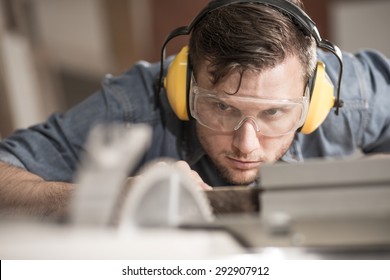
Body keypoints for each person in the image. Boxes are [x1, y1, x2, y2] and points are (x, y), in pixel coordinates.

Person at [0, 0, 389, 216]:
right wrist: (109, 197)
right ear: (182, 87)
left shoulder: (348, 94)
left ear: (316, 99)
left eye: (273, 113)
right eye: (221, 107)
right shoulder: (137, 102)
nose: (247, 146)